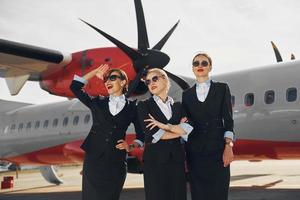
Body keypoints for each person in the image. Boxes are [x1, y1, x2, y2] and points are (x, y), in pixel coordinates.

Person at [69, 64, 143, 200]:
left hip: (117, 160)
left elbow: (141, 133)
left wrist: (131, 146)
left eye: (112, 78)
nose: (108, 81)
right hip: (94, 159)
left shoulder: (133, 107)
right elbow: (75, 87)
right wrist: (94, 72)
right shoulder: (97, 102)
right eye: (106, 79)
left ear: (123, 82)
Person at [182, 53, 235, 200]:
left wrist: (228, 146)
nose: (200, 66)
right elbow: (188, 124)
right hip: (195, 152)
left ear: (210, 67)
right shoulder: (186, 94)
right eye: (196, 63)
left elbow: (228, 121)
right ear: (192, 68)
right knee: (198, 193)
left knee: (219, 192)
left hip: (218, 149)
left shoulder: (222, 88)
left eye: (204, 63)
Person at [137, 68, 193, 200]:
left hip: (177, 160)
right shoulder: (144, 106)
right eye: (148, 81)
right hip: (154, 161)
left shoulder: (179, 106)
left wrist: (165, 127)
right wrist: (179, 131)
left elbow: (188, 129)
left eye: (155, 79)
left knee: (178, 196)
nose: (151, 83)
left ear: (165, 80)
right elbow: (155, 134)